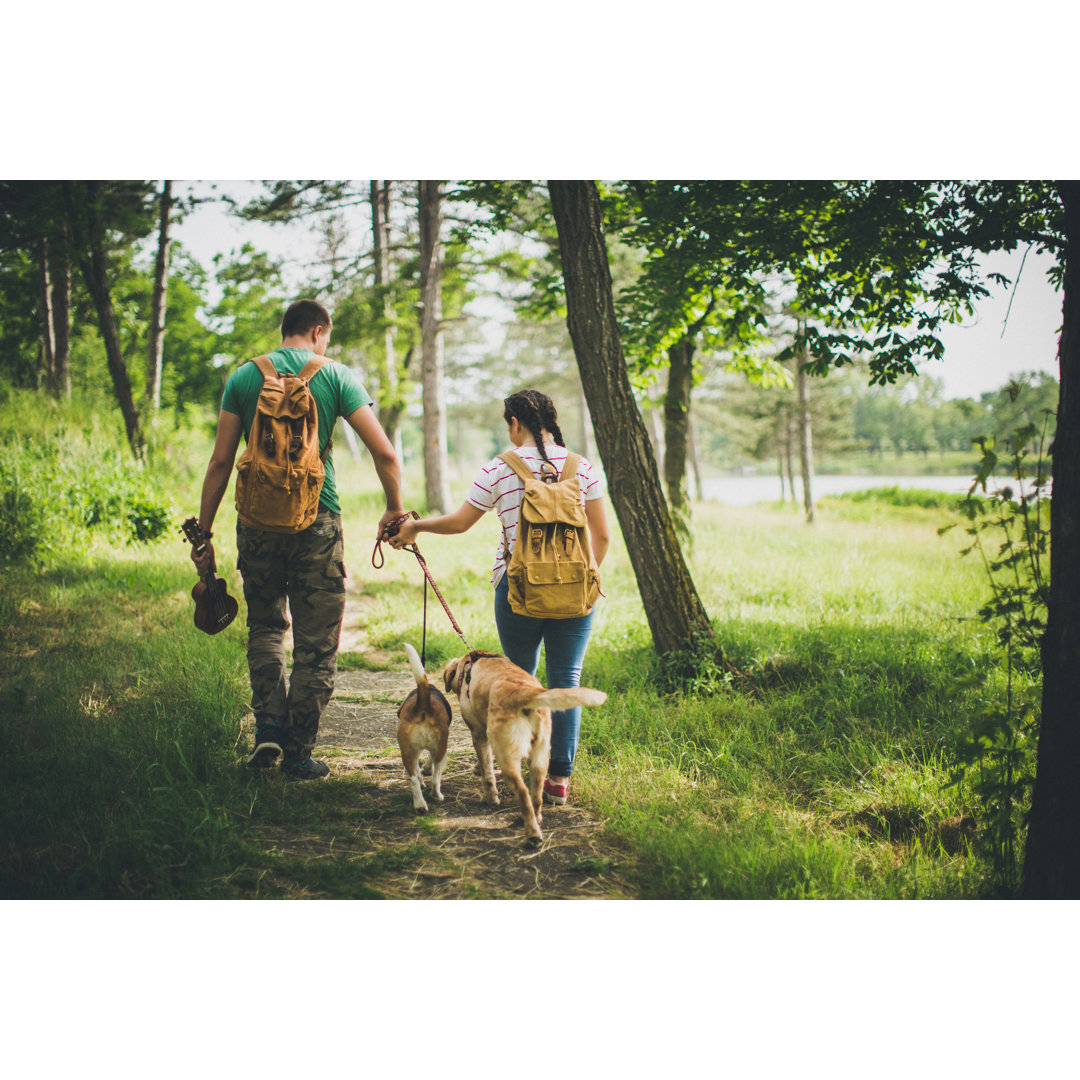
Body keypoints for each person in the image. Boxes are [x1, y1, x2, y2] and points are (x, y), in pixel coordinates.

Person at [190, 299, 403, 779]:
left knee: (265, 628)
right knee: (317, 644)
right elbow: (386, 453)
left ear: (284, 330)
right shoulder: (336, 376)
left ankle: (267, 725)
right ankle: (299, 750)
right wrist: (392, 507)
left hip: (257, 524)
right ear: (318, 331)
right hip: (318, 522)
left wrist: (203, 533)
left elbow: (221, 462)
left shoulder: (245, 377)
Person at [389, 388, 609, 805]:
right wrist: (582, 579)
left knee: (517, 678)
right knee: (567, 679)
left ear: (514, 423)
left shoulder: (499, 468)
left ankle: (514, 766)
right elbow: (601, 537)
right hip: (578, 590)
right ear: (551, 421)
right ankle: (558, 778)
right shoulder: (585, 468)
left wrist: (415, 528)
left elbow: (459, 523)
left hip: (517, 588)